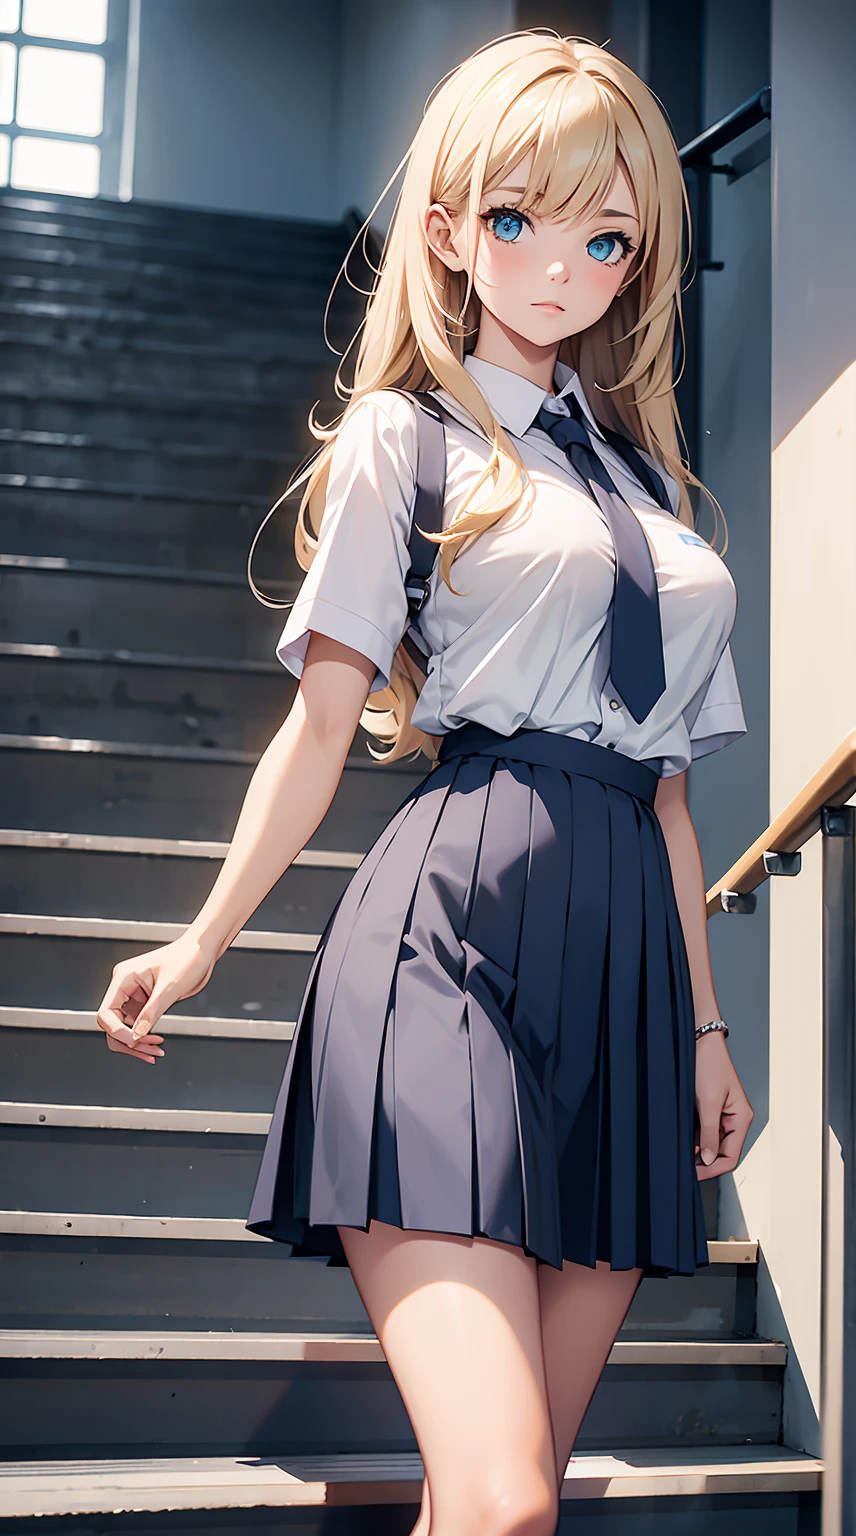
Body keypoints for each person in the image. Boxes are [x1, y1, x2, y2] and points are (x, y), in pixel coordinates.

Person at [95, 30, 755, 1536]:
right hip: (450, 943)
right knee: (507, 1498)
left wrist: (707, 1031)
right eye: (518, 222)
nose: (562, 268)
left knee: (503, 1513)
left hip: (629, 988)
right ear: (449, 234)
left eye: (606, 235)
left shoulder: (650, 486)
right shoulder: (411, 436)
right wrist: (201, 943)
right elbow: (320, 725)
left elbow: (665, 790)